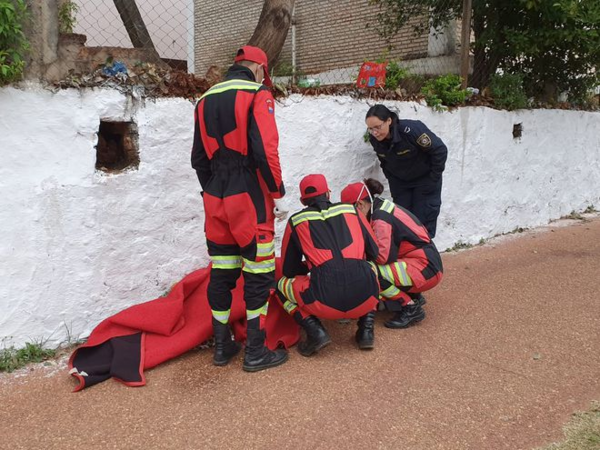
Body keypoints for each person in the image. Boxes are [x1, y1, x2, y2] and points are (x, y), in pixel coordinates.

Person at [191, 45, 289, 372]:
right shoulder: (258, 93)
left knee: (222, 271)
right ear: (259, 68)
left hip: (215, 196)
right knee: (259, 274)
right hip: (249, 195)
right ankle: (256, 352)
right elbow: (265, 150)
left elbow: (198, 160)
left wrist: (215, 189)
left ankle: (222, 347)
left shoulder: (203, 100)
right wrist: (277, 193)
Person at [276, 174, 381, 354]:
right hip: (366, 297)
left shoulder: (296, 221)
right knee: (371, 269)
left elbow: (289, 269)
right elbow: (375, 253)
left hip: (324, 302)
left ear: (303, 201)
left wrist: (313, 266)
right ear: (328, 194)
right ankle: (366, 330)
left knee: (279, 286)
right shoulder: (352, 211)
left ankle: (315, 331)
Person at [341, 178, 443, 328]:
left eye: (350, 213)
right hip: (426, 264)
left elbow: (382, 258)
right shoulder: (380, 207)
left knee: (368, 271)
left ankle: (410, 307)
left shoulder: (380, 219)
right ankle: (414, 296)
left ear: (360, 205)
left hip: (424, 268)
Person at [365, 104, 448, 238]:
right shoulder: (375, 140)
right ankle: (408, 258)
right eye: (370, 129)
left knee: (422, 225)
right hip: (401, 184)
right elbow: (384, 162)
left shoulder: (411, 130)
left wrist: (433, 178)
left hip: (424, 181)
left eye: (378, 127)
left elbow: (439, 150)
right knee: (402, 223)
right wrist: (393, 181)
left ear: (389, 121)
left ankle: (425, 257)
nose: (375, 132)